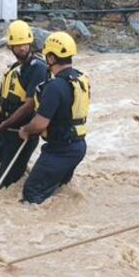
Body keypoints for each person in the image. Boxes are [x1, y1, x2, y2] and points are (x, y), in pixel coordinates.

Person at [0, 20, 48, 188]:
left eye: (25, 44)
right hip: (5, 131)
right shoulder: (14, 69)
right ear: (11, 47)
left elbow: (29, 105)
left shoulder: (38, 68)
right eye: (17, 45)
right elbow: (6, 104)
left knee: (4, 185)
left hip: (22, 136)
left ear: (30, 43)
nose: (22, 48)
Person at [19, 32, 91, 204]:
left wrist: (25, 129)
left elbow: (39, 124)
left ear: (51, 58)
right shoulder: (80, 78)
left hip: (61, 150)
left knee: (31, 193)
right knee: (58, 190)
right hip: (78, 146)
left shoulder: (55, 86)